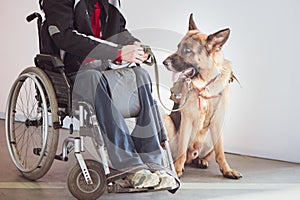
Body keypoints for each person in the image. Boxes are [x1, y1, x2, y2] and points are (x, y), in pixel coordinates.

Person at [40, 0, 177, 189]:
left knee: (141, 75)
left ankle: (153, 162)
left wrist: (134, 45)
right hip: (72, 72)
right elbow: (64, 37)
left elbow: (118, 31)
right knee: (92, 77)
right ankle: (130, 166)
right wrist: (117, 52)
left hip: (105, 67)